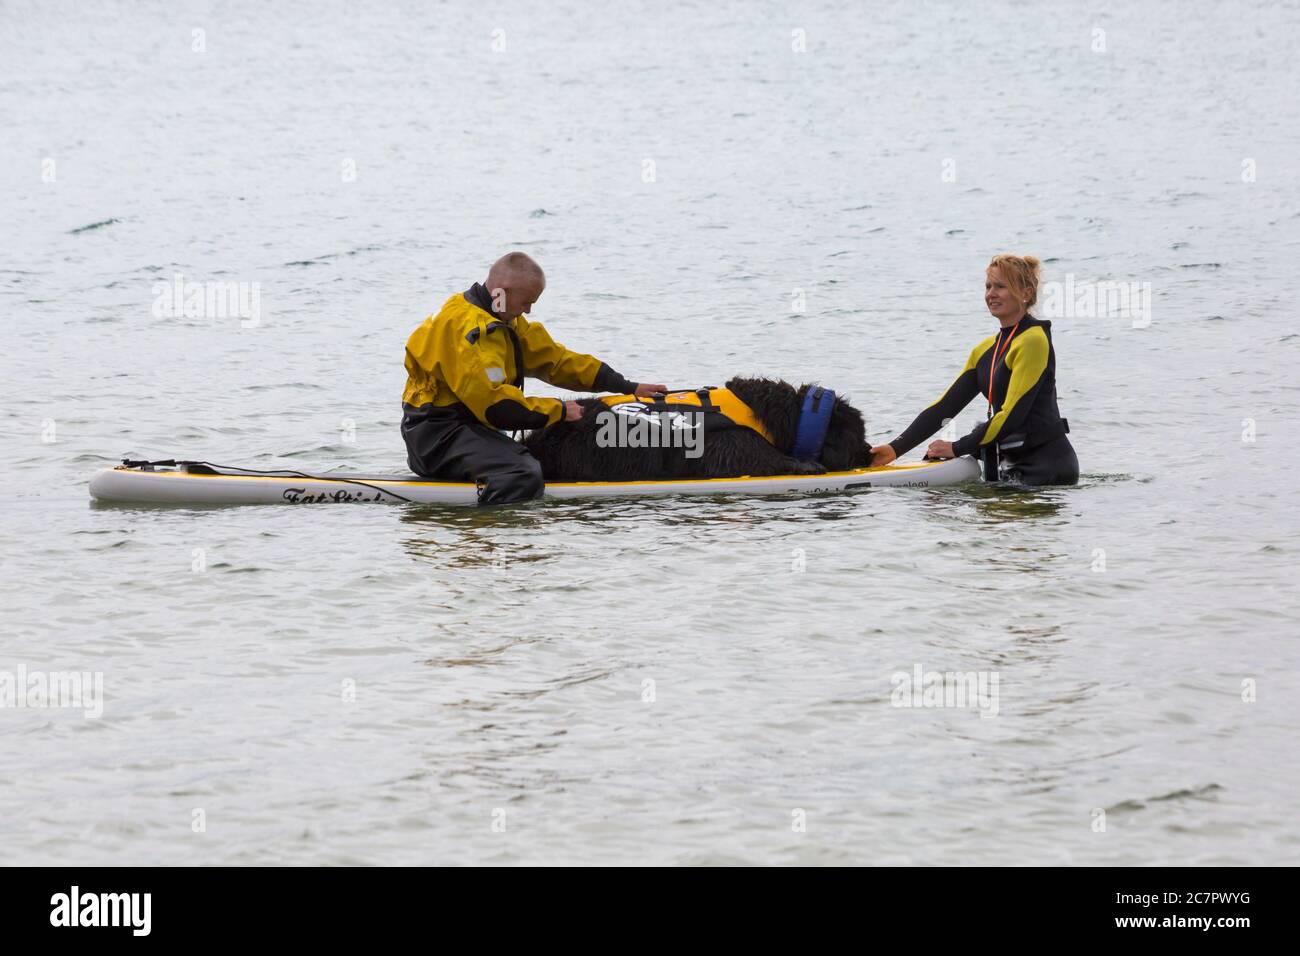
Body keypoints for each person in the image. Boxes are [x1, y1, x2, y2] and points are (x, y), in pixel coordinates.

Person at [401, 252, 667, 504]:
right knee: (522, 473)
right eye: (526, 302)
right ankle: (491, 537)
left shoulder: (502, 319)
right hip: (436, 434)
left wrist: (628, 387)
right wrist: (559, 410)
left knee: (533, 460)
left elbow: (558, 362)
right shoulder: (468, 331)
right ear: (501, 293)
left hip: (469, 427)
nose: (528, 310)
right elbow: (498, 408)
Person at [869, 254, 1078, 486]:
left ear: (1026, 293)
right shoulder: (985, 350)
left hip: (1047, 468)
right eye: (988, 286)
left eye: (1000, 286)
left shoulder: (1033, 340)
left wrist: (957, 447)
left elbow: (1011, 415)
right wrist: (894, 448)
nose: (991, 294)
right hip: (1009, 466)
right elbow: (944, 408)